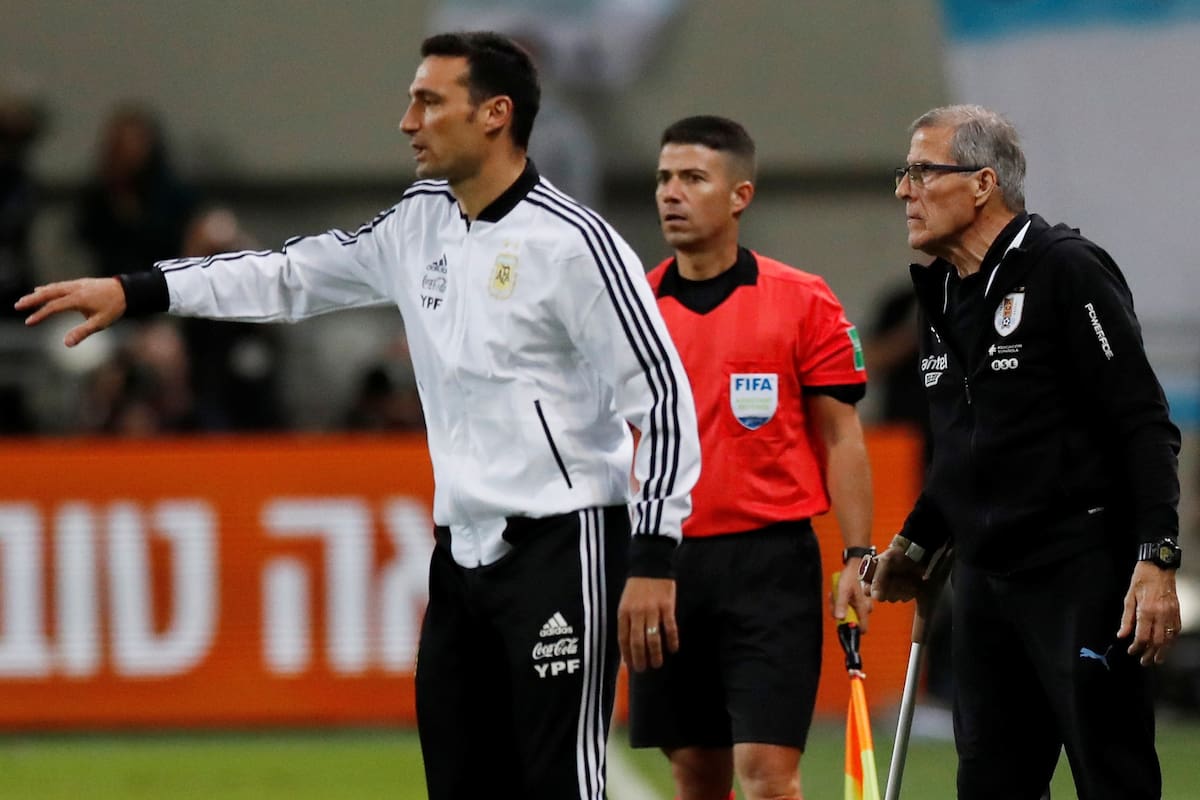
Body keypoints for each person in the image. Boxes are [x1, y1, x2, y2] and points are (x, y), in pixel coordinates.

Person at [16, 32, 700, 799]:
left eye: (429, 101)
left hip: (563, 546)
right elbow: (290, 277)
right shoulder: (419, 223)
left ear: (495, 114)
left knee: (561, 787)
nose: (408, 122)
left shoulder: (575, 245)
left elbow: (664, 398)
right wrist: (139, 289)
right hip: (461, 556)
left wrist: (653, 555)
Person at [866, 104, 1182, 800]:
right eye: (904, 173)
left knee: (1114, 781)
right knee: (989, 787)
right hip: (986, 587)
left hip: (1081, 577)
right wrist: (916, 544)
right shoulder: (941, 294)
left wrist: (1157, 559)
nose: (903, 190)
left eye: (922, 171)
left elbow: (1142, 422)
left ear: (983, 184)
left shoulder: (1066, 270)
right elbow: (965, 451)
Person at [629, 115, 874, 800]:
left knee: (768, 774)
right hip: (667, 566)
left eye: (692, 178)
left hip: (771, 568)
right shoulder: (633, 310)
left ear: (740, 195)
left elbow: (843, 436)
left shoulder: (803, 300)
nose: (671, 193)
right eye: (664, 178)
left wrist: (859, 556)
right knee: (695, 774)